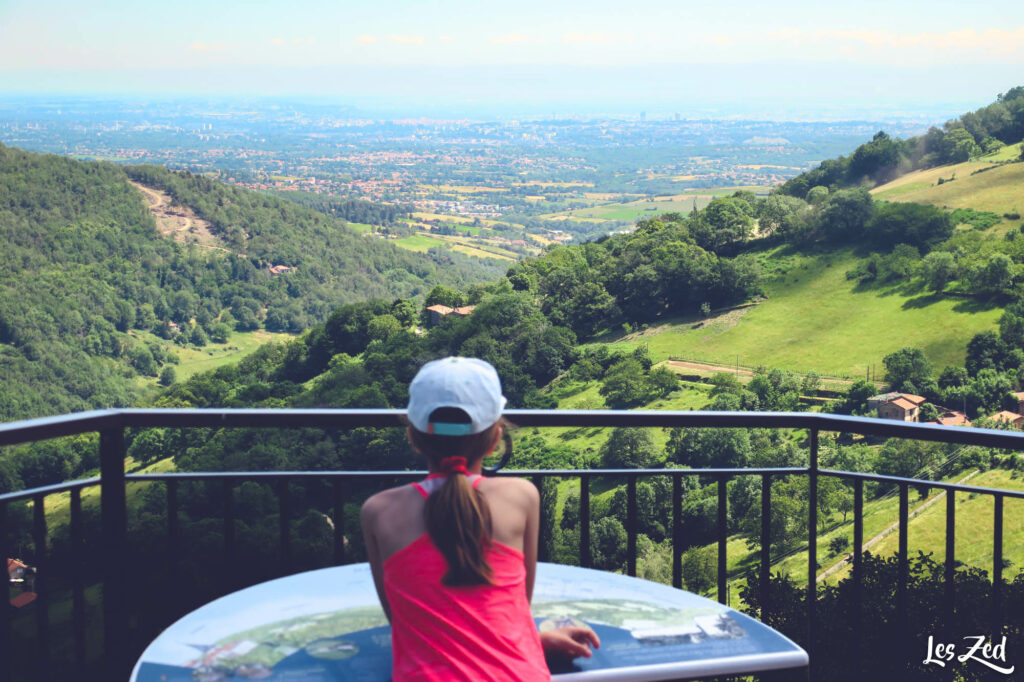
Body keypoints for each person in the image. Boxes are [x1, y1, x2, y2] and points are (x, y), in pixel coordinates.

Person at [361, 356, 599, 681]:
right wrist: (532, 645)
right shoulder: (522, 497)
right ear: (495, 437)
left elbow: (406, 624)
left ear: (413, 437)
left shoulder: (379, 512)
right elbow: (515, 612)